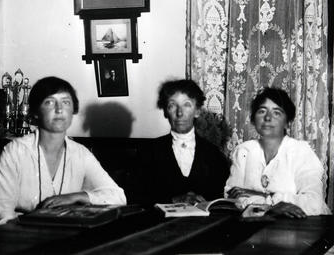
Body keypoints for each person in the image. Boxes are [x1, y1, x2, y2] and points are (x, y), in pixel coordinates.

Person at [0, 76, 126, 225]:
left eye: (66, 102)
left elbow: (118, 197)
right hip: (20, 236)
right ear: (36, 112)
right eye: (49, 102)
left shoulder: (81, 154)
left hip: (67, 236)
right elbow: (2, 215)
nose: (59, 109)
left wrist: (77, 197)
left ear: (73, 111)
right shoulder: (15, 152)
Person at [225, 87, 331, 217]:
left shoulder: (301, 152)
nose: (268, 117)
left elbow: (314, 204)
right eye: (262, 111)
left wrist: (266, 198)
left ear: (288, 122)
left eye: (277, 113)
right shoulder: (244, 151)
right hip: (255, 228)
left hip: (301, 229)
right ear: (253, 119)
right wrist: (272, 206)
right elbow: (232, 198)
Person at [141, 79, 230, 205]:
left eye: (187, 105)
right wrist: (173, 201)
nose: (179, 113)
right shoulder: (149, 152)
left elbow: (221, 199)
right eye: (172, 105)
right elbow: (137, 197)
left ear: (197, 111)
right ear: (166, 112)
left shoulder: (213, 154)